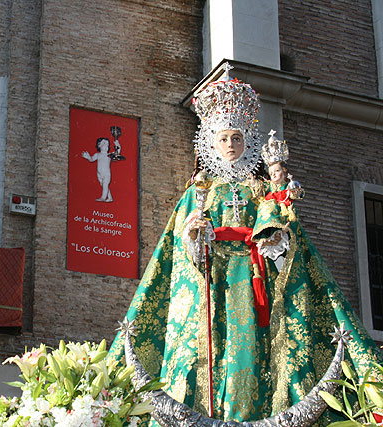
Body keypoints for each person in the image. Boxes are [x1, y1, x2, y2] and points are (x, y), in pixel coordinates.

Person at [108, 66, 383, 425]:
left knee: (251, 351)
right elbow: (178, 250)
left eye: (236, 138)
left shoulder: (260, 191)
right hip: (212, 283)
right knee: (208, 351)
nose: (230, 145)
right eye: (223, 139)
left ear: (247, 141)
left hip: (254, 280)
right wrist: (195, 237)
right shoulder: (198, 192)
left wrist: (276, 240)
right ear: (211, 142)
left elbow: (282, 232)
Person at [82, 137, 114, 202]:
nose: (106, 145)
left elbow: (116, 154)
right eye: (104, 143)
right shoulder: (97, 154)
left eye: (107, 144)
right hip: (99, 174)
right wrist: (88, 157)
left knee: (105, 184)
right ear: (99, 145)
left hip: (106, 174)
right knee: (104, 185)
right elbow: (92, 159)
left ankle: (103, 197)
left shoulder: (109, 155)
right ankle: (110, 198)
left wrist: (118, 146)